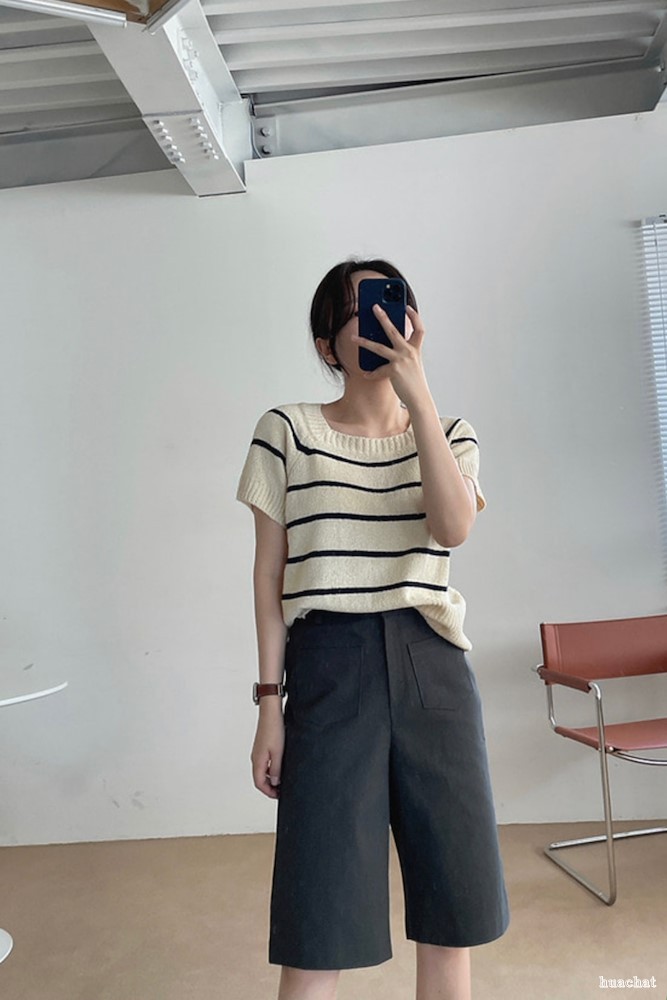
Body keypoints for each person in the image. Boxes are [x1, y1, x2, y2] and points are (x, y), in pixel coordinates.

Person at [236, 258, 510, 1000]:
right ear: (327, 343)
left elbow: (452, 529)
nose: (381, 322)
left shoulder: (450, 432)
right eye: (360, 311)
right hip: (328, 664)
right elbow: (268, 578)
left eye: (393, 305)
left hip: (432, 666)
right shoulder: (285, 431)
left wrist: (419, 398)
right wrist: (268, 706)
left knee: (451, 917)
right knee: (317, 919)